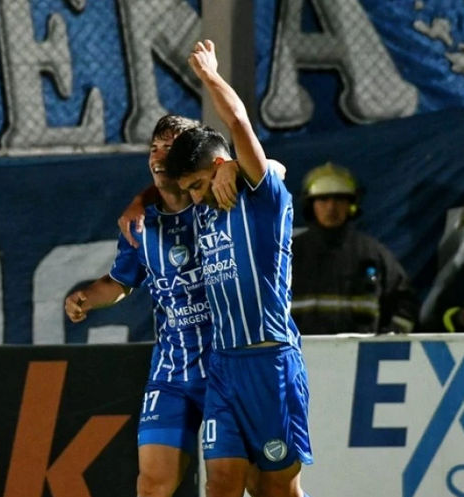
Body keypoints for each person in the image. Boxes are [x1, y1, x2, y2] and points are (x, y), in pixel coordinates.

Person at [66, 114, 245, 497]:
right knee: (151, 487)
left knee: (229, 486)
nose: (160, 156)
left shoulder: (221, 200)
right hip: (172, 375)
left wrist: (231, 166)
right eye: (155, 148)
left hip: (227, 368)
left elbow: (271, 173)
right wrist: (87, 298)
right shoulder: (139, 223)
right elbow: (120, 282)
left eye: (172, 147)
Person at [164, 41, 312, 497]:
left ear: (221, 165)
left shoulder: (262, 198)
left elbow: (239, 124)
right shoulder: (206, 207)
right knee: (221, 483)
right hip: (224, 365)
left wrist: (209, 76)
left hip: (271, 362)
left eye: (196, 184)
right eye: (185, 189)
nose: (191, 196)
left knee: (275, 491)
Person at [291, 162, 418, 335]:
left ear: (352, 204)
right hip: (298, 356)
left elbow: (405, 303)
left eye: (339, 199)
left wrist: (391, 340)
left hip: (360, 358)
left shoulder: (373, 254)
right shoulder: (289, 254)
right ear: (310, 204)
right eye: (323, 199)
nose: (331, 207)